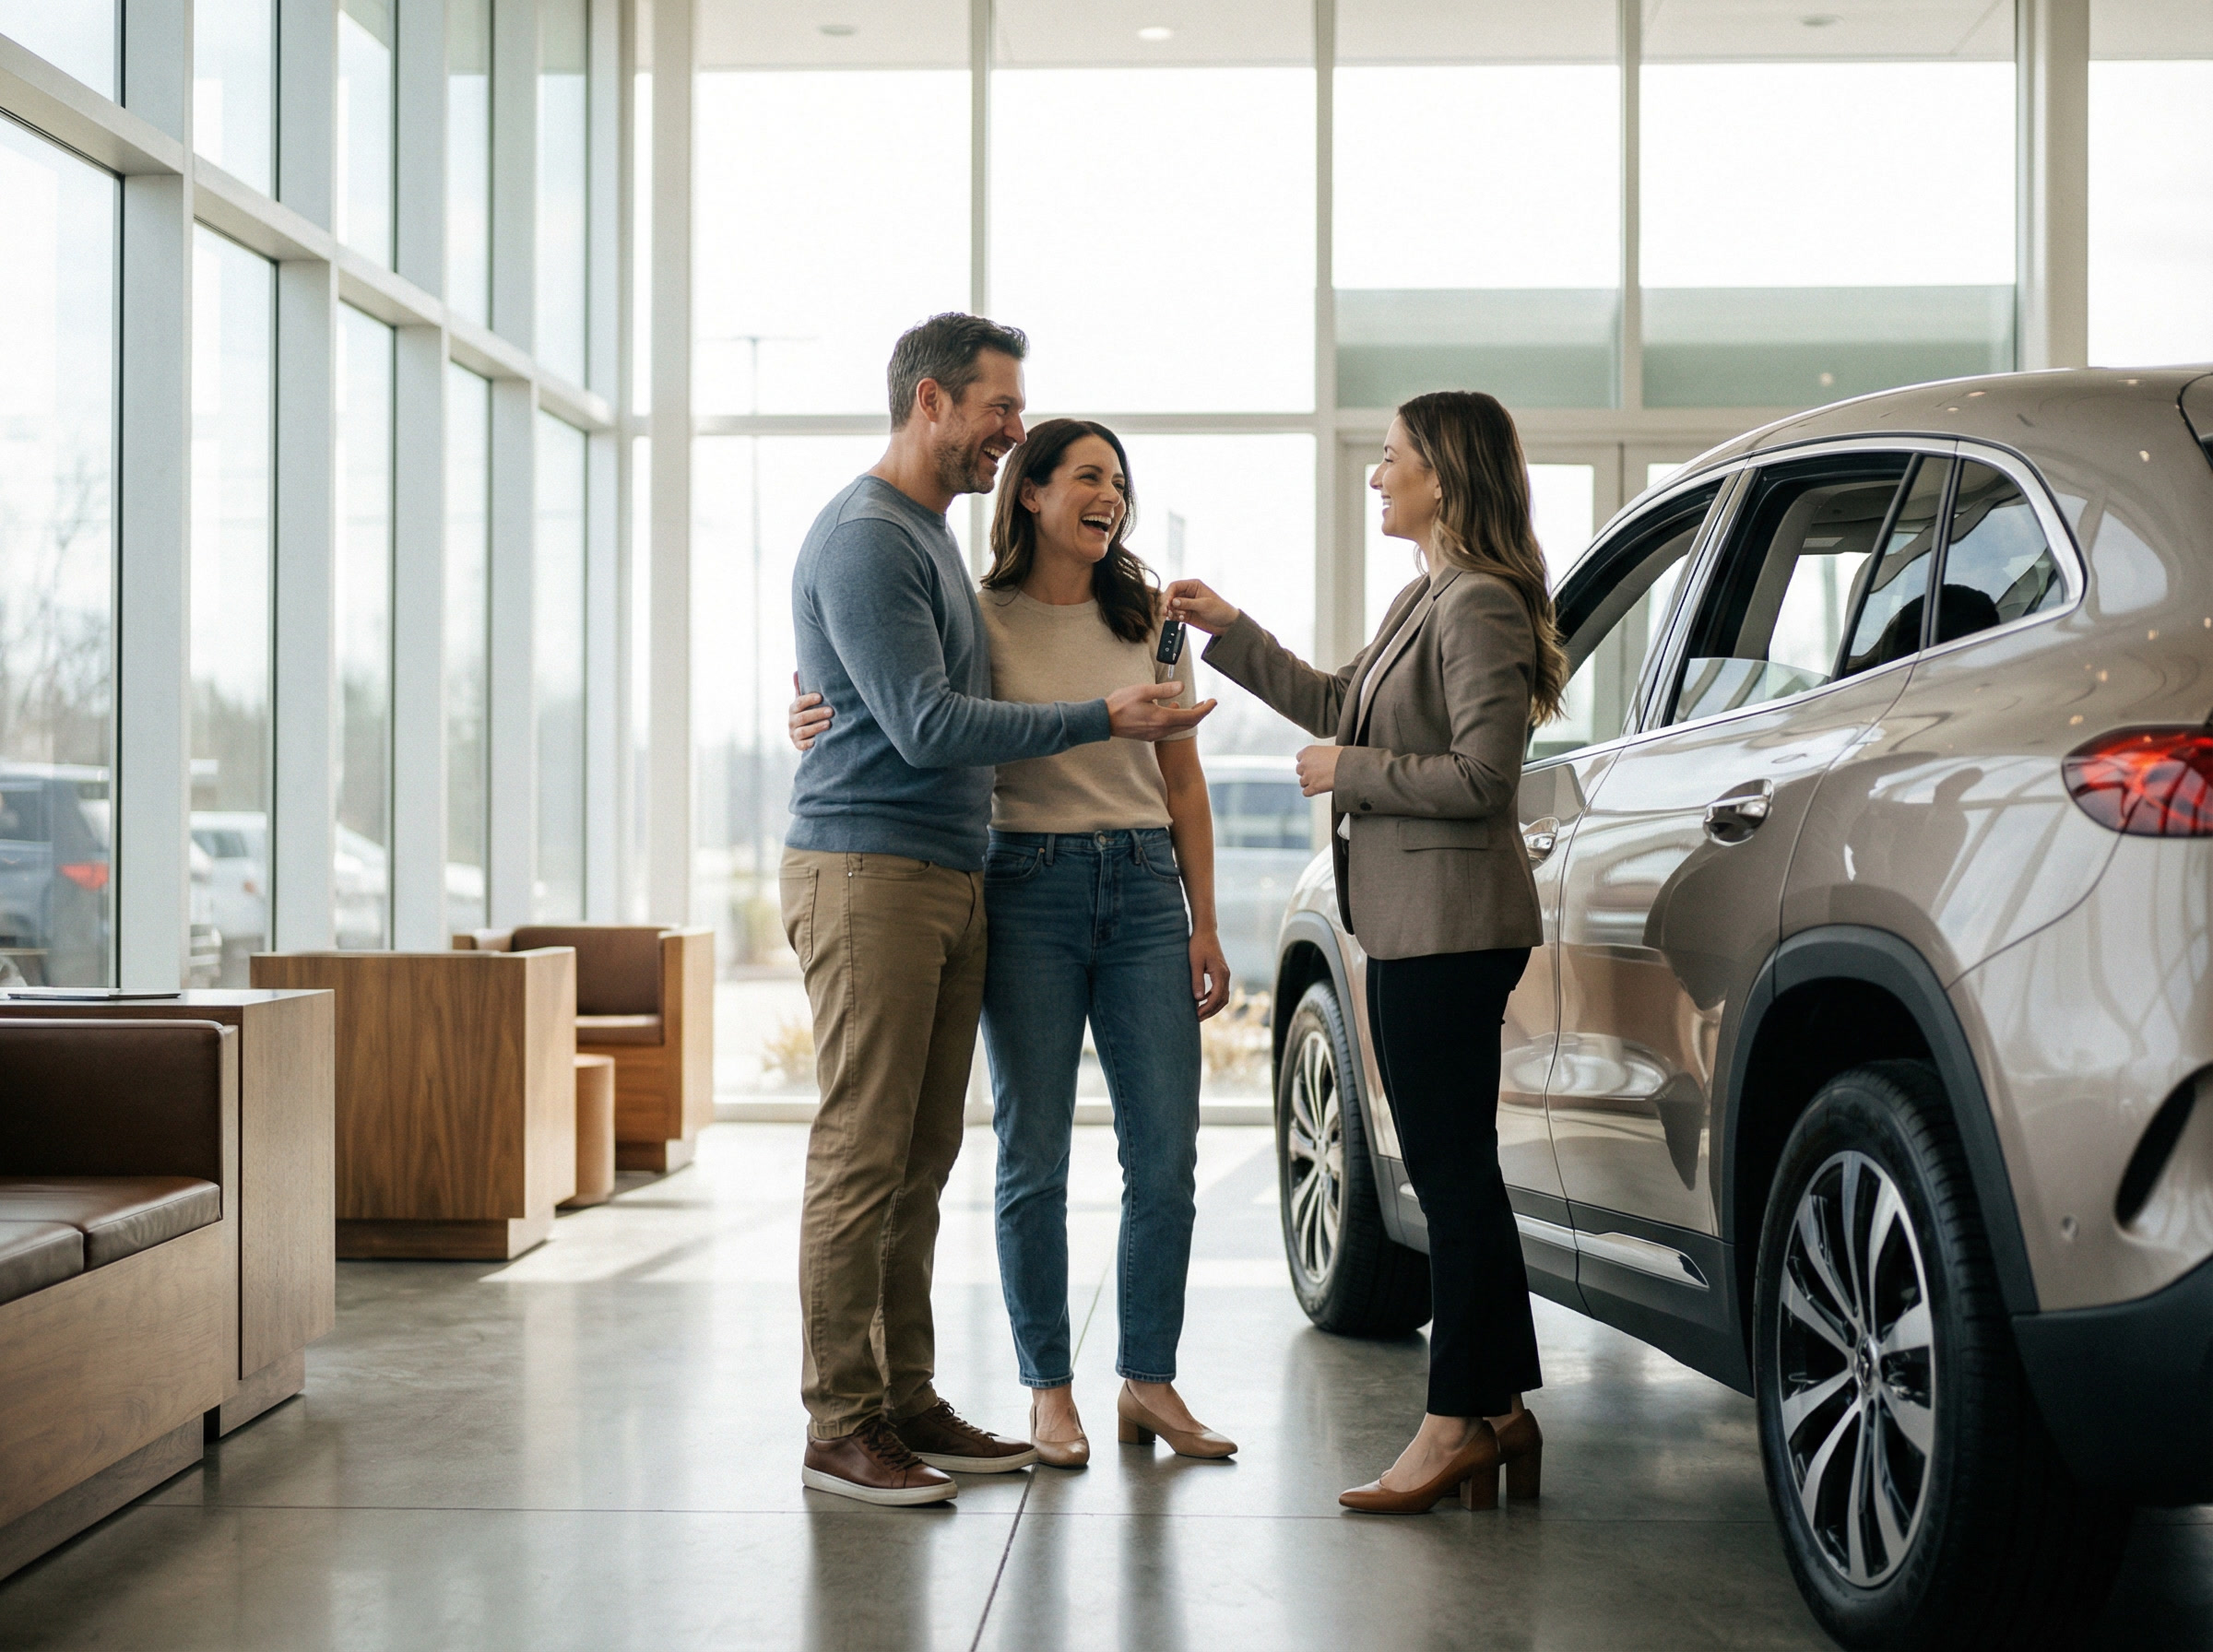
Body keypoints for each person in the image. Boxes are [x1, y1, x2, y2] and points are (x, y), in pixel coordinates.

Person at [782, 315, 1213, 1508]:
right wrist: (1100, 719)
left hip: (945, 870)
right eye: (1001, 412)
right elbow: (923, 726)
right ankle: (841, 1424)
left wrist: (815, 703)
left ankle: (906, 1398)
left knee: (919, 1157)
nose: (1013, 433)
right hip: (871, 869)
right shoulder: (873, 538)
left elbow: (893, 695)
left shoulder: (917, 538)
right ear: (932, 399)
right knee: (862, 1156)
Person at [1163, 389, 1568, 1515]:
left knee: (1454, 1179)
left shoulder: (1478, 600)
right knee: (1456, 1174)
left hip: (1449, 930)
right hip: (1415, 924)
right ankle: (1498, 1415)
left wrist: (1354, 772)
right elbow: (1344, 699)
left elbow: (1486, 779)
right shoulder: (1425, 595)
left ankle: (1453, 1425)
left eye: (1391, 459)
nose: (1377, 476)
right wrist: (1227, 630)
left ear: (1444, 471)